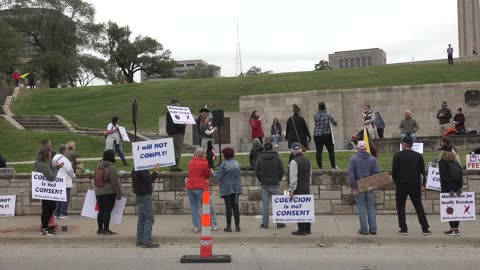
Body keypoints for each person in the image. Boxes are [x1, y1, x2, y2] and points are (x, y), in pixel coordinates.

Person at [392, 136, 431, 235]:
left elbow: (394, 173)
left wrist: (397, 181)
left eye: (402, 143)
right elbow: (422, 172)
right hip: (414, 185)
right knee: (418, 206)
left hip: (401, 185)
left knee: (401, 207)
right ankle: (425, 228)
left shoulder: (397, 156)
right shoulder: (418, 156)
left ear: (405, 144)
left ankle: (403, 228)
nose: (401, 144)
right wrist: (423, 184)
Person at [348, 141, 380, 235]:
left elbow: (351, 174)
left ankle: (364, 229)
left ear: (357, 148)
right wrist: (371, 182)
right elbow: (377, 172)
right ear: (366, 149)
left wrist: (354, 187)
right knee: (370, 207)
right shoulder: (373, 159)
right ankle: (373, 228)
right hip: (370, 186)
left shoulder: (353, 159)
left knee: (361, 207)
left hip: (359, 186)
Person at [186, 148, 219, 232]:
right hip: (201, 187)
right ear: (203, 154)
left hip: (190, 187)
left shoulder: (190, 163)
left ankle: (197, 226)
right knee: (207, 206)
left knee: (194, 207)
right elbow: (207, 176)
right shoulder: (204, 163)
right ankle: (211, 224)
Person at [255, 142, 286, 229]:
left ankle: (265, 223)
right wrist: (278, 179)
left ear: (264, 148)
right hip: (275, 183)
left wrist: (261, 179)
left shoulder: (260, 158)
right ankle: (279, 223)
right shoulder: (277, 157)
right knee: (277, 204)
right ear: (272, 148)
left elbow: (256, 171)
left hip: (264, 183)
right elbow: (282, 170)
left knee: (265, 204)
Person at [35, 146, 64, 235]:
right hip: (46, 191)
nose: (51, 155)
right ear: (46, 155)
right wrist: (57, 168)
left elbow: (48, 174)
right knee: (48, 208)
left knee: (48, 207)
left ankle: (45, 227)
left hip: (46, 191)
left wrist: (54, 167)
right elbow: (51, 177)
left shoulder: (41, 164)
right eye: (50, 154)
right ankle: (45, 228)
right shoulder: (43, 165)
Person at [213, 147, 242, 232]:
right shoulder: (237, 163)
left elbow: (219, 177)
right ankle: (237, 226)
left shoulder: (224, 165)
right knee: (235, 206)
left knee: (228, 207)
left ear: (225, 155)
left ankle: (228, 226)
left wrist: (212, 172)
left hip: (226, 188)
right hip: (236, 188)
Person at [132, 163, 160, 248]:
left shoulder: (136, 167)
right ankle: (146, 240)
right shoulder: (142, 169)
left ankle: (140, 239)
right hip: (144, 195)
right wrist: (155, 172)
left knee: (142, 218)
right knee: (149, 218)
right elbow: (147, 180)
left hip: (139, 195)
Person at [95, 149, 122, 236]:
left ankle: (100, 229)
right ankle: (106, 229)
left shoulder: (98, 166)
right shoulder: (112, 167)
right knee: (107, 211)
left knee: (101, 211)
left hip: (98, 192)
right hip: (109, 192)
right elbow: (115, 182)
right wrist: (118, 194)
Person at [438, 145, 463, 236]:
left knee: (449, 209)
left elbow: (445, 177)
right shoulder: (456, 162)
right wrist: (459, 188)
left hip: (448, 189)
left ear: (443, 152)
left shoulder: (442, 162)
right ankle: (455, 228)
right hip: (456, 189)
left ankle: (453, 229)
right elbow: (460, 176)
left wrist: (450, 189)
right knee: (456, 209)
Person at [288, 143, 312, 236]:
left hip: (298, 188)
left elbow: (293, 178)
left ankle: (301, 230)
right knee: (306, 208)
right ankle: (308, 228)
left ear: (293, 151)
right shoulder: (308, 161)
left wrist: (291, 190)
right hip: (306, 188)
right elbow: (310, 175)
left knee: (299, 209)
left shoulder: (294, 162)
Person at [52, 144, 75, 220]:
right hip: (65, 180)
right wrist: (73, 175)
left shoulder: (55, 157)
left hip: (57, 179)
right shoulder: (64, 159)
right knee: (65, 197)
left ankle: (57, 213)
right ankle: (63, 213)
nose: (67, 151)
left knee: (59, 197)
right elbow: (69, 170)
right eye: (67, 149)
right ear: (64, 150)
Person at [313, 102, 338, 170]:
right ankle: (333, 166)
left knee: (318, 151)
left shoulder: (315, 115)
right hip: (327, 135)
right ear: (324, 107)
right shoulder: (328, 114)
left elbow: (315, 120)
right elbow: (335, 123)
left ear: (319, 107)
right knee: (330, 150)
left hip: (317, 135)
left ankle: (320, 167)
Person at [166, 98, 186, 172]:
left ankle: (176, 166)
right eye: (175, 104)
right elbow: (174, 124)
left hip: (180, 134)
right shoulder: (170, 113)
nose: (178, 106)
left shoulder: (178, 112)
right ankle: (173, 167)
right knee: (175, 151)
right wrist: (183, 125)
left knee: (178, 151)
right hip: (175, 134)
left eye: (178, 104)